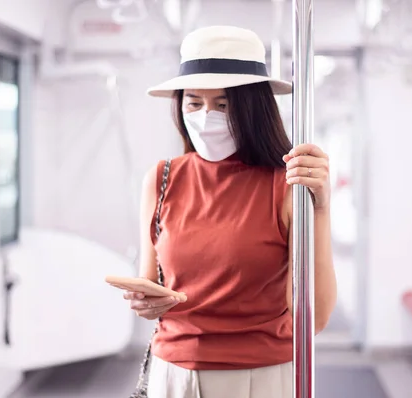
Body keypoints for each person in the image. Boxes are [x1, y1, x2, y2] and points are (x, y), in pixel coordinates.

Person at [123, 25, 337, 398]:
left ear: (252, 107)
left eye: (223, 104)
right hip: (172, 373)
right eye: (194, 102)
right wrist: (145, 301)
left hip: (262, 375)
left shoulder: (286, 183)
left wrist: (320, 208)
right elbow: (153, 287)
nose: (207, 116)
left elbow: (312, 317)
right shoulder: (161, 178)